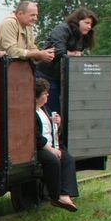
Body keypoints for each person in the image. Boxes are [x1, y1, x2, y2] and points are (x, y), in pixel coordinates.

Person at [36, 7, 98, 113]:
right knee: (51, 108)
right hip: (48, 76)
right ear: (77, 21)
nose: (89, 27)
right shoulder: (62, 29)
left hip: (64, 77)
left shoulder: (82, 36)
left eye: (91, 24)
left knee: (64, 109)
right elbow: (58, 51)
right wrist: (73, 54)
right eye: (86, 23)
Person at [35, 78, 78, 212]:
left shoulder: (44, 109)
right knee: (53, 161)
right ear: (36, 96)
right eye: (45, 93)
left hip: (51, 145)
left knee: (68, 159)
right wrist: (51, 150)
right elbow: (36, 137)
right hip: (39, 148)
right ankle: (55, 196)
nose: (48, 95)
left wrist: (57, 123)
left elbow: (50, 131)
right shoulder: (31, 112)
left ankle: (65, 194)